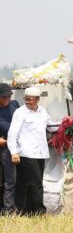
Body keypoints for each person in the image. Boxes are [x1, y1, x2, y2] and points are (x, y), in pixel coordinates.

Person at [7, 86, 56, 215]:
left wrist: (67, 123)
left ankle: (27, 211)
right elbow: (13, 133)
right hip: (26, 153)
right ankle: (40, 211)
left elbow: (51, 126)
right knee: (36, 183)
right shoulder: (20, 112)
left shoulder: (43, 112)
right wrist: (14, 152)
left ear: (38, 99)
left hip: (41, 154)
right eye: (26, 99)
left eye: (30, 99)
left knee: (29, 183)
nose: (27, 101)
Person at [0, 83, 19, 215]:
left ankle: (14, 207)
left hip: (16, 146)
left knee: (14, 178)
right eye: (3, 96)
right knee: (9, 179)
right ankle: (8, 209)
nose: (6, 98)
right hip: (4, 147)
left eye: (8, 96)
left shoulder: (15, 104)